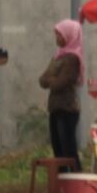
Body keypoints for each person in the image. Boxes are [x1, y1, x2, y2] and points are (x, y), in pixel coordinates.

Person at [38, 18, 85, 163]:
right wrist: (52, 78)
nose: (57, 38)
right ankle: (62, 180)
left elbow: (61, 83)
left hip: (67, 109)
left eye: (60, 35)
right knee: (57, 148)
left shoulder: (72, 59)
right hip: (55, 108)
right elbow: (42, 80)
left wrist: (51, 78)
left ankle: (74, 179)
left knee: (68, 149)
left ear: (69, 35)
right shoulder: (59, 56)